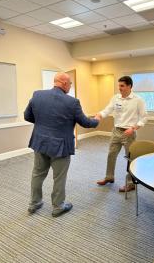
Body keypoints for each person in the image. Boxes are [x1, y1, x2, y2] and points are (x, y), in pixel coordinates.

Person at [24, 72, 99, 217]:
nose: (70, 87)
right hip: (60, 146)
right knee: (59, 177)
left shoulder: (37, 95)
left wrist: (43, 125)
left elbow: (27, 116)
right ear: (64, 83)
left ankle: (34, 203)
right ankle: (58, 206)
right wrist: (96, 119)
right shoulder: (72, 102)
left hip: (40, 142)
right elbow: (86, 122)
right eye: (70, 84)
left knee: (37, 174)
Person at [95, 76, 147, 192]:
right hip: (116, 131)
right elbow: (107, 110)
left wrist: (133, 128)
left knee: (130, 158)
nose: (120, 88)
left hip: (129, 132)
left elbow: (144, 118)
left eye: (122, 86)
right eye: (119, 86)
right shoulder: (115, 98)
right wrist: (99, 115)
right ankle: (109, 177)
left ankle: (130, 183)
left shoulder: (138, 100)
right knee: (111, 154)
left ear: (129, 86)